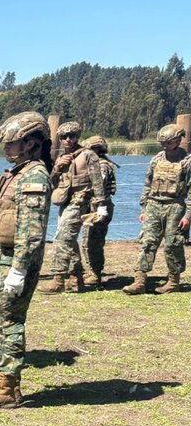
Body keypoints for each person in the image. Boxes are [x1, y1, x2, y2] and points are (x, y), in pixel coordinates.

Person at [0, 112, 53, 408]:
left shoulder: (34, 176)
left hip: (15, 261)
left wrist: (19, 269)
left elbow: (31, 230)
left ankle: (7, 385)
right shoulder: (16, 174)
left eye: (13, 143)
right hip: (1, 258)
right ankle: (7, 383)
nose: (6, 148)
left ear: (31, 143)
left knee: (8, 321)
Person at [122, 124, 190, 295]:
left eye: (168, 143)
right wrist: (144, 208)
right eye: (162, 143)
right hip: (154, 204)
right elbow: (148, 184)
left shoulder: (187, 162)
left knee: (173, 244)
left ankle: (173, 282)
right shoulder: (157, 159)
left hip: (175, 206)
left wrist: (188, 215)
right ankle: (139, 281)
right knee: (147, 242)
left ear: (177, 141)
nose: (165, 146)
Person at [39, 121, 107, 294]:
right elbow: (51, 182)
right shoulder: (62, 156)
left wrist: (101, 205)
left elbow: (97, 181)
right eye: (64, 137)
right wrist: (57, 167)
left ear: (77, 136)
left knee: (62, 238)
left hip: (81, 200)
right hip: (65, 201)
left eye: (72, 136)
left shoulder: (88, 155)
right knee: (69, 240)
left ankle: (58, 279)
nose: (68, 140)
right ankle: (77, 277)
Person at [79, 136, 117, 288]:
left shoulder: (101, 166)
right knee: (87, 240)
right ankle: (91, 271)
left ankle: (95, 274)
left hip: (98, 206)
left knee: (92, 242)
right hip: (95, 206)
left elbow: (98, 186)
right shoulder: (100, 164)